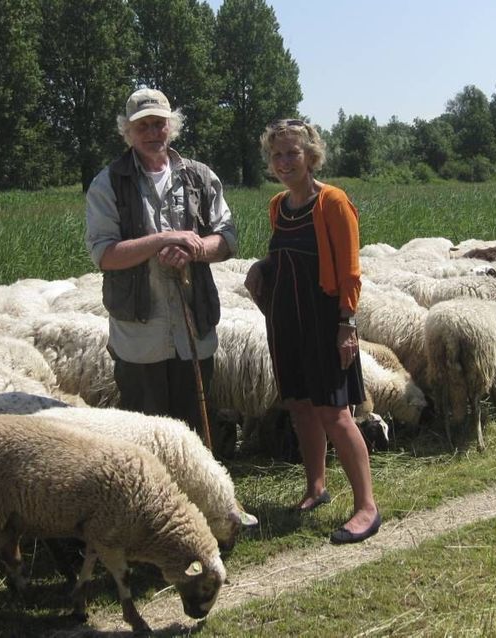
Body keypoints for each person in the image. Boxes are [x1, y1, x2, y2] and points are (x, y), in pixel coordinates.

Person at [244, 119, 380, 544]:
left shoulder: (333, 202)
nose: (284, 162)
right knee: (300, 407)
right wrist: (259, 269)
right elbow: (283, 256)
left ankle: (366, 508)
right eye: (277, 154)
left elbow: (350, 273)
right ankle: (316, 488)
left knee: (335, 414)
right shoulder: (278, 206)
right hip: (285, 320)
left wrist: (347, 325)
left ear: (311, 155)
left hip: (325, 321)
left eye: (292, 153)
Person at [85, 87, 236, 433]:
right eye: (143, 126)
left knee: (193, 436)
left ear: (172, 126)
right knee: (146, 439)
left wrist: (194, 249)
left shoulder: (200, 177)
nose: (153, 133)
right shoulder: (108, 184)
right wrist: (164, 240)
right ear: (128, 131)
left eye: (159, 124)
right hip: (140, 340)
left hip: (193, 333)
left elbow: (227, 239)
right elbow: (105, 255)